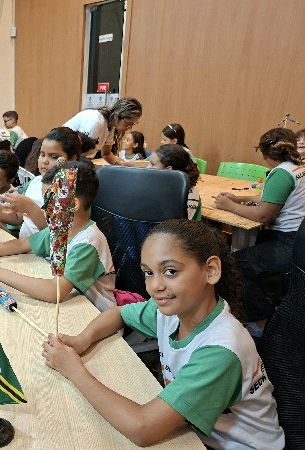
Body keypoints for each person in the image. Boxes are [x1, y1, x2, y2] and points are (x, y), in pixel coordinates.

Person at [42, 219, 285, 449]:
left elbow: (142, 429)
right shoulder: (172, 310)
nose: (155, 286)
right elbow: (119, 313)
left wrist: (73, 370)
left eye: (170, 271)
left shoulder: (221, 351)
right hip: (197, 434)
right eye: (148, 272)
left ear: (210, 270)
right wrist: (83, 339)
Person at [0, 161, 117, 312]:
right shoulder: (61, 228)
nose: (44, 207)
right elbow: (22, 244)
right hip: (71, 304)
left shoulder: (88, 242)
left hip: (94, 313)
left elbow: (54, 292)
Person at [215, 128, 305, 335]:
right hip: (298, 237)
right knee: (249, 250)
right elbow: (271, 197)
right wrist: (237, 199)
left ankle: (260, 319)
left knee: (233, 264)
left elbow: (264, 215)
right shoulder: (297, 168)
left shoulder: (281, 174)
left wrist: (228, 205)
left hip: (289, 242)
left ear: (265, 154)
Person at [0, 127, 83, 238]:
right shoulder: (35, 181)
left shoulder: (74, 192)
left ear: (72, 160)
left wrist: (31, 208)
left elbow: (58, 236)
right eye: (42, 154)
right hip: (25, 245)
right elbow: (19, 218)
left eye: (54, 157)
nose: (44, 161)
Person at [63, 96, 142, 165]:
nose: (130, 127)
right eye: (129, 123)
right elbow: (79, 156)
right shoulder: (96, 122)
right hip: (65, 156)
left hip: (76, 158)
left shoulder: (111, 127)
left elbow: (106, 154)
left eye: (133, 124)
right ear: (116, 116)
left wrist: (122, 165)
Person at [148, 144, 202, 220]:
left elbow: (177, 224)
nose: (147, 167)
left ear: (168, 170)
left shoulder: (188, 193)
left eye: (152, 164)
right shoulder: (158, 185)